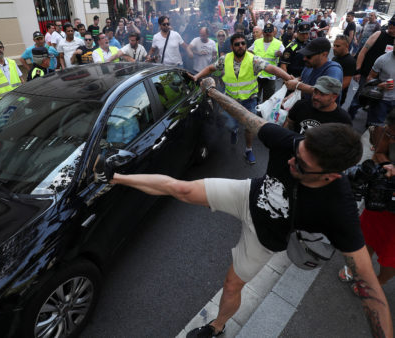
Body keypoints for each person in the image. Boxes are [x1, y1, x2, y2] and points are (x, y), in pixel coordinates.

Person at [94, 76, 393, 338]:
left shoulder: (339, 206)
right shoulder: (290, 142)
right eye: (295, 151)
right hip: (248, 194)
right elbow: (247, 118)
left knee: (232, 284)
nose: (291, 160)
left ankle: (216, 327)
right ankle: (115, 177)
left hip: (265, 238)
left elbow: (370, 290)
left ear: (330, 176)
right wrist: (211, 91)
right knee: (181, 189)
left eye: (300, 164)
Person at [192, 33, 292, 164]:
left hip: (249, 100)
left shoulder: (254, 60)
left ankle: (248, 150)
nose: (240, 46)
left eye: (243, 43)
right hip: (230, 100)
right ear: (232, 47)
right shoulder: (224, 59)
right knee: (231, 124)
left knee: (249, 127)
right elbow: (211, 68)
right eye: (237, 44)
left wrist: (288, 78)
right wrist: (196, 76)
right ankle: (233, 130)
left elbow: (272, 68)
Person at [339, 108, 395, 290]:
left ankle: (378, 281)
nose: (391, 136)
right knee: (368, 234)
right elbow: (380, 152)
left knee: (391, 256)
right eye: (391, 132)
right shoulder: (390, 129)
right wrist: (387, 165)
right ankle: (359, 266)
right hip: (383, 199)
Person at [348, 15, 395, 120]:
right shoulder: (379, 34)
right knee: (359, 99)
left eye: (394, 25)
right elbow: (362, 52)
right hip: (368, 75)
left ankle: (370, 123)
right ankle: (348, 119)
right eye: (391, 24)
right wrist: (358, 70)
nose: (392, 26)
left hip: (387, 79)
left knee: (379, 104)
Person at [284, 76, 351, 134]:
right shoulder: (300, 105)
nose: (316, 97)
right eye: (315, 92)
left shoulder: (343, 120)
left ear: (334, 97)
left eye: (322, 94)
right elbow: (288, 125)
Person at [285, 37, 342, 104]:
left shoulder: (333, 70)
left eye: (309, 56)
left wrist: (298, 85)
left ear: (324, 54)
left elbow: (328, 92)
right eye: (304, 55)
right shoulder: (309, 66)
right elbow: (303, 88)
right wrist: (288, 99)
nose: (304, 58)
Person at [249, 23, 285, 103]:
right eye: (266, 31)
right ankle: (254, 113)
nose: (268, 33)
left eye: (270, 31)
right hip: (257, 75)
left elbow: (284, 54)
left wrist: (280, 54)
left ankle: (263, 114)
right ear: (263, 32)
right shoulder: (257, 42)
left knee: (268, 100)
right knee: (254, 97)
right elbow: (249, 52)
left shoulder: (279, 43)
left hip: (270, 77)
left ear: (273, 33)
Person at [365, 45, 395, 127]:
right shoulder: (383, 59)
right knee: (374, 128)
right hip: (381, 100)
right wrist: (380, 85)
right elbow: (369, 78)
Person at [332, 35, 356, 106]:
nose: (334, 48)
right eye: (334, 45)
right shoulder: (335, 58)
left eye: (338, 46)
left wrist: (330, 93)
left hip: (336, 96)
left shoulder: (350, 61)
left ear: (346, 46)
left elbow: (346, 82)